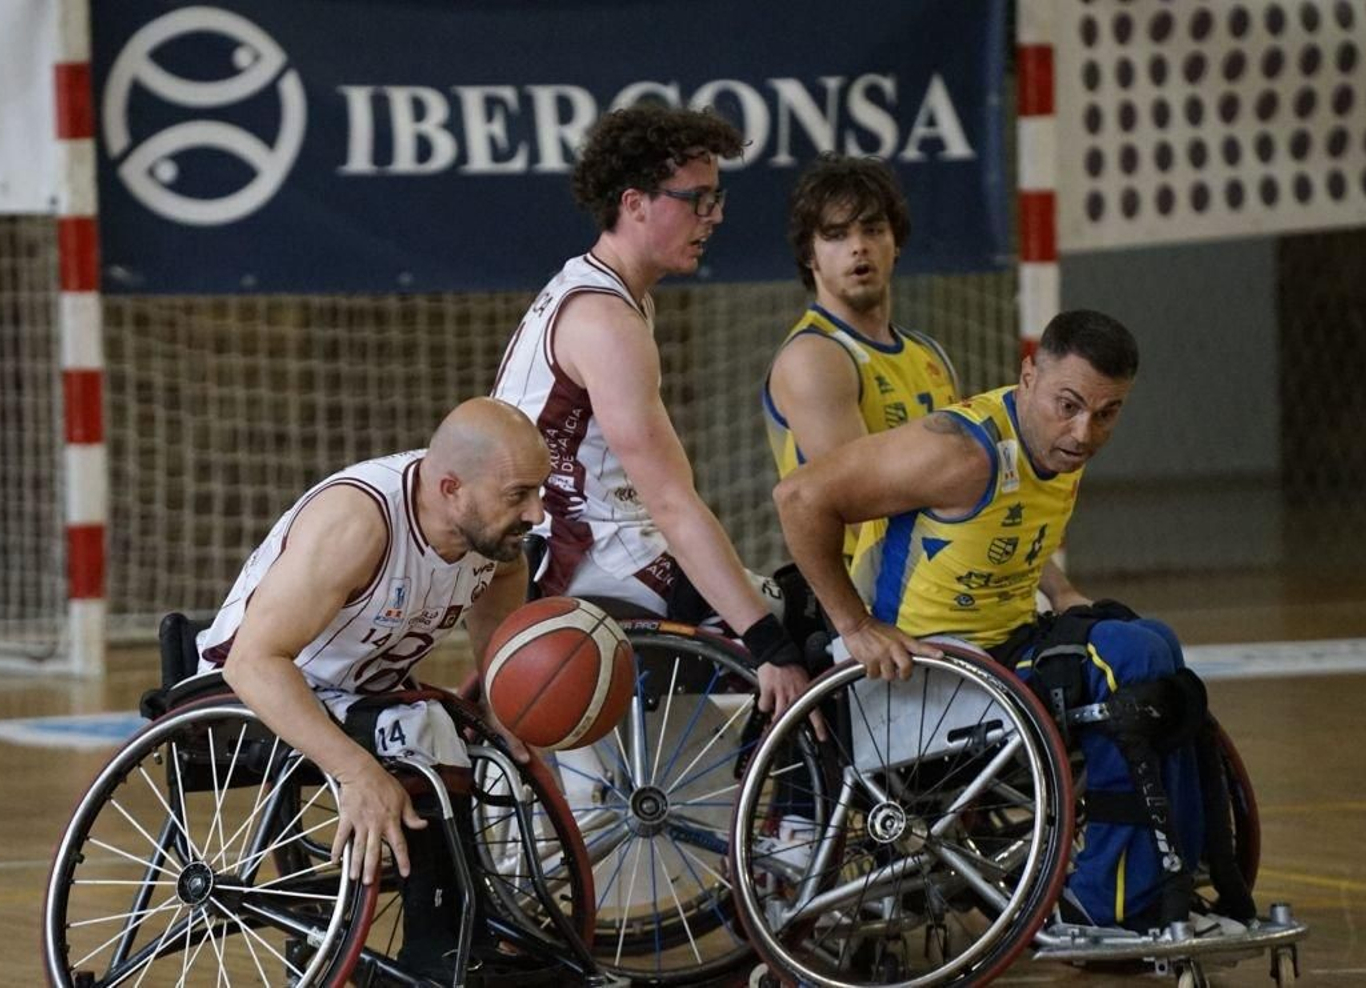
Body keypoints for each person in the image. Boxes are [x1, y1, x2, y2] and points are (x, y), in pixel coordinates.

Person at [775, 311, 1250, 932]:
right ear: (1029, 376)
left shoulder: (1049, 446)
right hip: (921, 677)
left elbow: (1007, 527)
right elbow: (800, 497)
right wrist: (855, 625)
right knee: (1129, 658)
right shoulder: (957, 452)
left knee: (1155, 641)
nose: (1084, 432)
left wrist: (1062, 589)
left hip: (997, 657)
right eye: (1069, 405)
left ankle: (1169, 878)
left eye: (1107, 414)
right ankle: (1107, 901)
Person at [196, 396, 549, 978]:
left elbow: (501, 590)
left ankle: (467, 933)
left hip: (362, 696)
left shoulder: (488, 540)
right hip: (251, 691)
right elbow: (252, 662)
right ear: (451, 488)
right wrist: (357, 771)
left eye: (539, 491)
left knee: (455, 726)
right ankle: (441, 953)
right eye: (518, 496)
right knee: (424, 729)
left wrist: (502, 700)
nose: (536, 513)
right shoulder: (361, 523)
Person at [492, 103, 813, 719]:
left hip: (579, 547)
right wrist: (767, 643)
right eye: (696, 199)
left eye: (717, 198)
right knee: (793, 628)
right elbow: (669, 500)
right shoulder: (605, 320)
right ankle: (793, 819)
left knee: (776, 608)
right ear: (635, 202)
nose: (714, 216)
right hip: (578, 561)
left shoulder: (600, 290)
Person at [765, 151, 1086, 619]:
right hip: (871, 595)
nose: (858, 247)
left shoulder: (928, 355)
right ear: (809, 255)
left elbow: (982, 488)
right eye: (836, 235)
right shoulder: (815, 358)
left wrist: (1060, 590)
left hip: (946, 578)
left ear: (896, 243)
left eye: (873, 230)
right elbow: (858, 505)